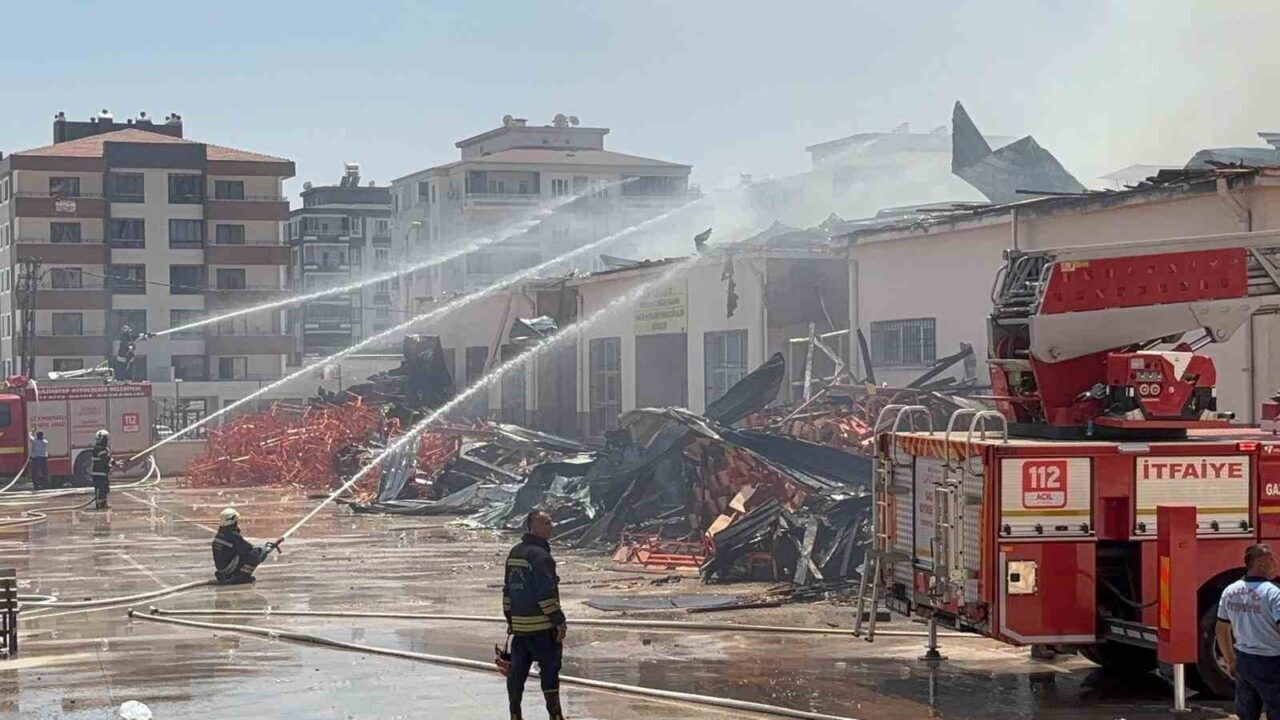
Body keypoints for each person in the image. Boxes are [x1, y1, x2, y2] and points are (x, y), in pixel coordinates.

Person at [502, 510, 566, 720]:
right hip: (542, 630)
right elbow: (546, 594)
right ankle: (555, 716)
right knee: (549, 674)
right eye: (546, 523)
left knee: (516, 676)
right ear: (533, 526)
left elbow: (508, 591)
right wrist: (559, 621)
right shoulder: (541, 557)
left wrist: (510, 619)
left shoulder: (515, 552)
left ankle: (515, 715)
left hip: (520, 631)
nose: (551, 526)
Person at [1216, 543, 1280, 720]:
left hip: (1244, 661)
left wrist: (1231, 661)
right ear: (1260, 563)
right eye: (1272, 559)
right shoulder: (1274, 593)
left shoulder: (1230, 591)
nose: (1276, 563)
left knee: (1247, 714)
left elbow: (1221, 629)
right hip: (1272, 662)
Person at [211, 508, 281, 585]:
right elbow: (249, 549)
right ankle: (242, 577)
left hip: (222, 568)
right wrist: (266, 549)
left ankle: (231, 575)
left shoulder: (220, 535)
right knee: (256, 554)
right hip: (228, 569)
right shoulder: (232, 536)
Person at [90, 429, 114, 509]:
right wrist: (113, 462)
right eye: (106, 438)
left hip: (103, 473)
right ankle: (99, 504)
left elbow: (107, 460)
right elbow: (105, 458)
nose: (107, 441)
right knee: (100, 489)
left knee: (105, 489)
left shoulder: (104, 449)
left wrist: (113, 463)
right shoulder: (98, 449)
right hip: (98, 474)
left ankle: (104, 504)